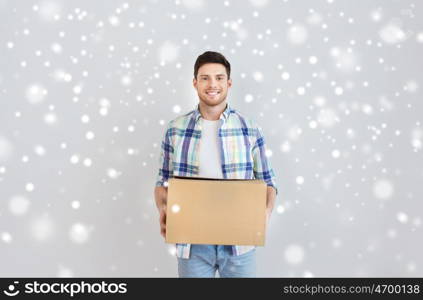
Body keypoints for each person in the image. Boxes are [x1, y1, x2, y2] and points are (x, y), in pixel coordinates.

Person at [154, 51, 278, 278]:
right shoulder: (175, 129)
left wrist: (265, 214)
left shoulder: (250, 128)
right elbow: (162, 182)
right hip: (192, 244)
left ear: (229, 83)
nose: (212, 84)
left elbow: (268, 181)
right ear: (195, 83)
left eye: (219, 78)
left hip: (239, 244)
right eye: (205, 78)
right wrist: (163, 208)